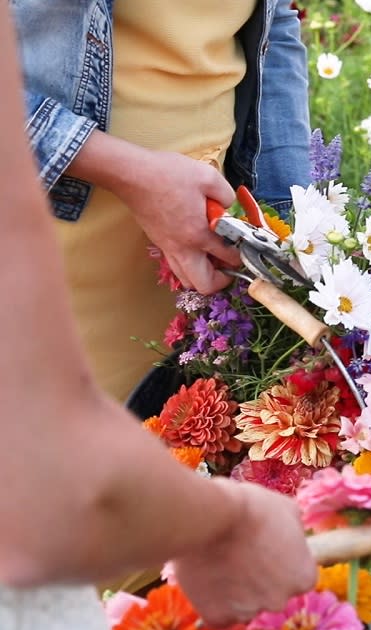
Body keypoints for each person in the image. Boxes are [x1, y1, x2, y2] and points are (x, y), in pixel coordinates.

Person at [0, 4, 318, 630]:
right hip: (56, 237)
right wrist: (228, 524)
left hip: (197, 239)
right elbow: (63, 475)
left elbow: (275, 24)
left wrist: (295, 229)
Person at [14, 0, 311, 403]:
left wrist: (291, 222)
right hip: (51, 253)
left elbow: (274, 26)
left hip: (197, 265)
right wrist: (133, 176)